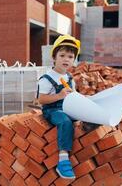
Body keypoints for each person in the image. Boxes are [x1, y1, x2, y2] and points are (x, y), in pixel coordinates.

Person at [37, 35, 80, 179]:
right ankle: (63, 160)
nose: (66, 59)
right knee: (65, 121)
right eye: (62, 55)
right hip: (52, 110)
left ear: (73, 60)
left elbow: (73, 96)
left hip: (67, 107)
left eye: (70, 56)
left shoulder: (70, 78)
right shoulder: (47, 78)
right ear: (54, 58)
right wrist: (60, 96)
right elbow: (41, 99)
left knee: (82, 119)